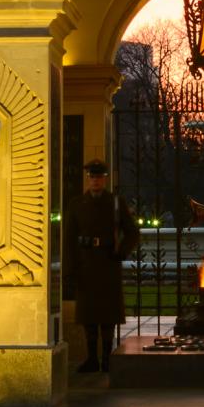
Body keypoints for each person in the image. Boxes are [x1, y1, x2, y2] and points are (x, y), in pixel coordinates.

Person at [65, 158, 140, 374]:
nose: (95, 181)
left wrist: (121, 251)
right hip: (86, 263)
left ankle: (107, 357)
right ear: (88, 179)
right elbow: (69, 239)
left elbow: (132, 231)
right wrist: (70, 268)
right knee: (89, 315)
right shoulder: (77, 204)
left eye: (99, 177)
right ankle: (91, 358)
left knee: (107, 315)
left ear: (104, 179)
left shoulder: (116, 203)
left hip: (108, 262)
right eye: (92, 177)